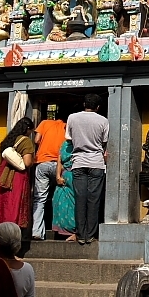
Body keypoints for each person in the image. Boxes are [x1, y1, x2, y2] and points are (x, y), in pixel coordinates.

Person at [67, 93, 109, 245]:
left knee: (80, 199)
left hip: (78, 162)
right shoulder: (103, 120)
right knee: (94, 200)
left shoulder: (72, 117)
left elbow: (69, 138)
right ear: (98, 107)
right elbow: (104, 142)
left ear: (84, 104)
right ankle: (90, 235)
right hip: (96, 163)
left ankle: (80, 234)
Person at [0, 118, 36, 228]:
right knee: (14, 205)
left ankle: (0, 232)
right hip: (16, 177)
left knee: (3, 204)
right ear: (27, 129)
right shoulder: (25, 141)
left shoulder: (6, 141)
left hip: (2, 176)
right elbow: (27, 163)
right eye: (31, 131)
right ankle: (12, 232)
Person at [31, 109, 69, 240]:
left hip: (43, 163)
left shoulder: (45, 123)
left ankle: (37, 231)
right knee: (61, 197)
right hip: (60, 165)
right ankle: (62, 230)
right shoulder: (66, 127)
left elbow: (36, 140)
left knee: (40, 198)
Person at [52, 139, 76, 241]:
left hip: (76, 176)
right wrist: (58, 176)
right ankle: (64, 229)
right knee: (59, 200)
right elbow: (59, 161)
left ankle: (74, 231)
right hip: (65, 175)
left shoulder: (80, 143)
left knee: (73, 203)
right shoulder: (64, 144)